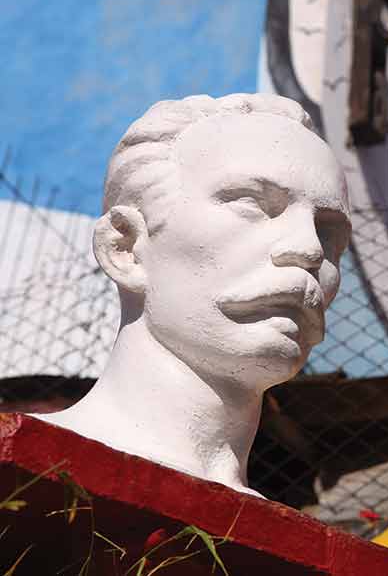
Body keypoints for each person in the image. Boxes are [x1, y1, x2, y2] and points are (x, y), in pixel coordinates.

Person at [35, 94, 351, 496]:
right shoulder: (21, 475)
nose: (310, 249)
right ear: (126, 247)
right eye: (252, 204)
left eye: (329, 232)